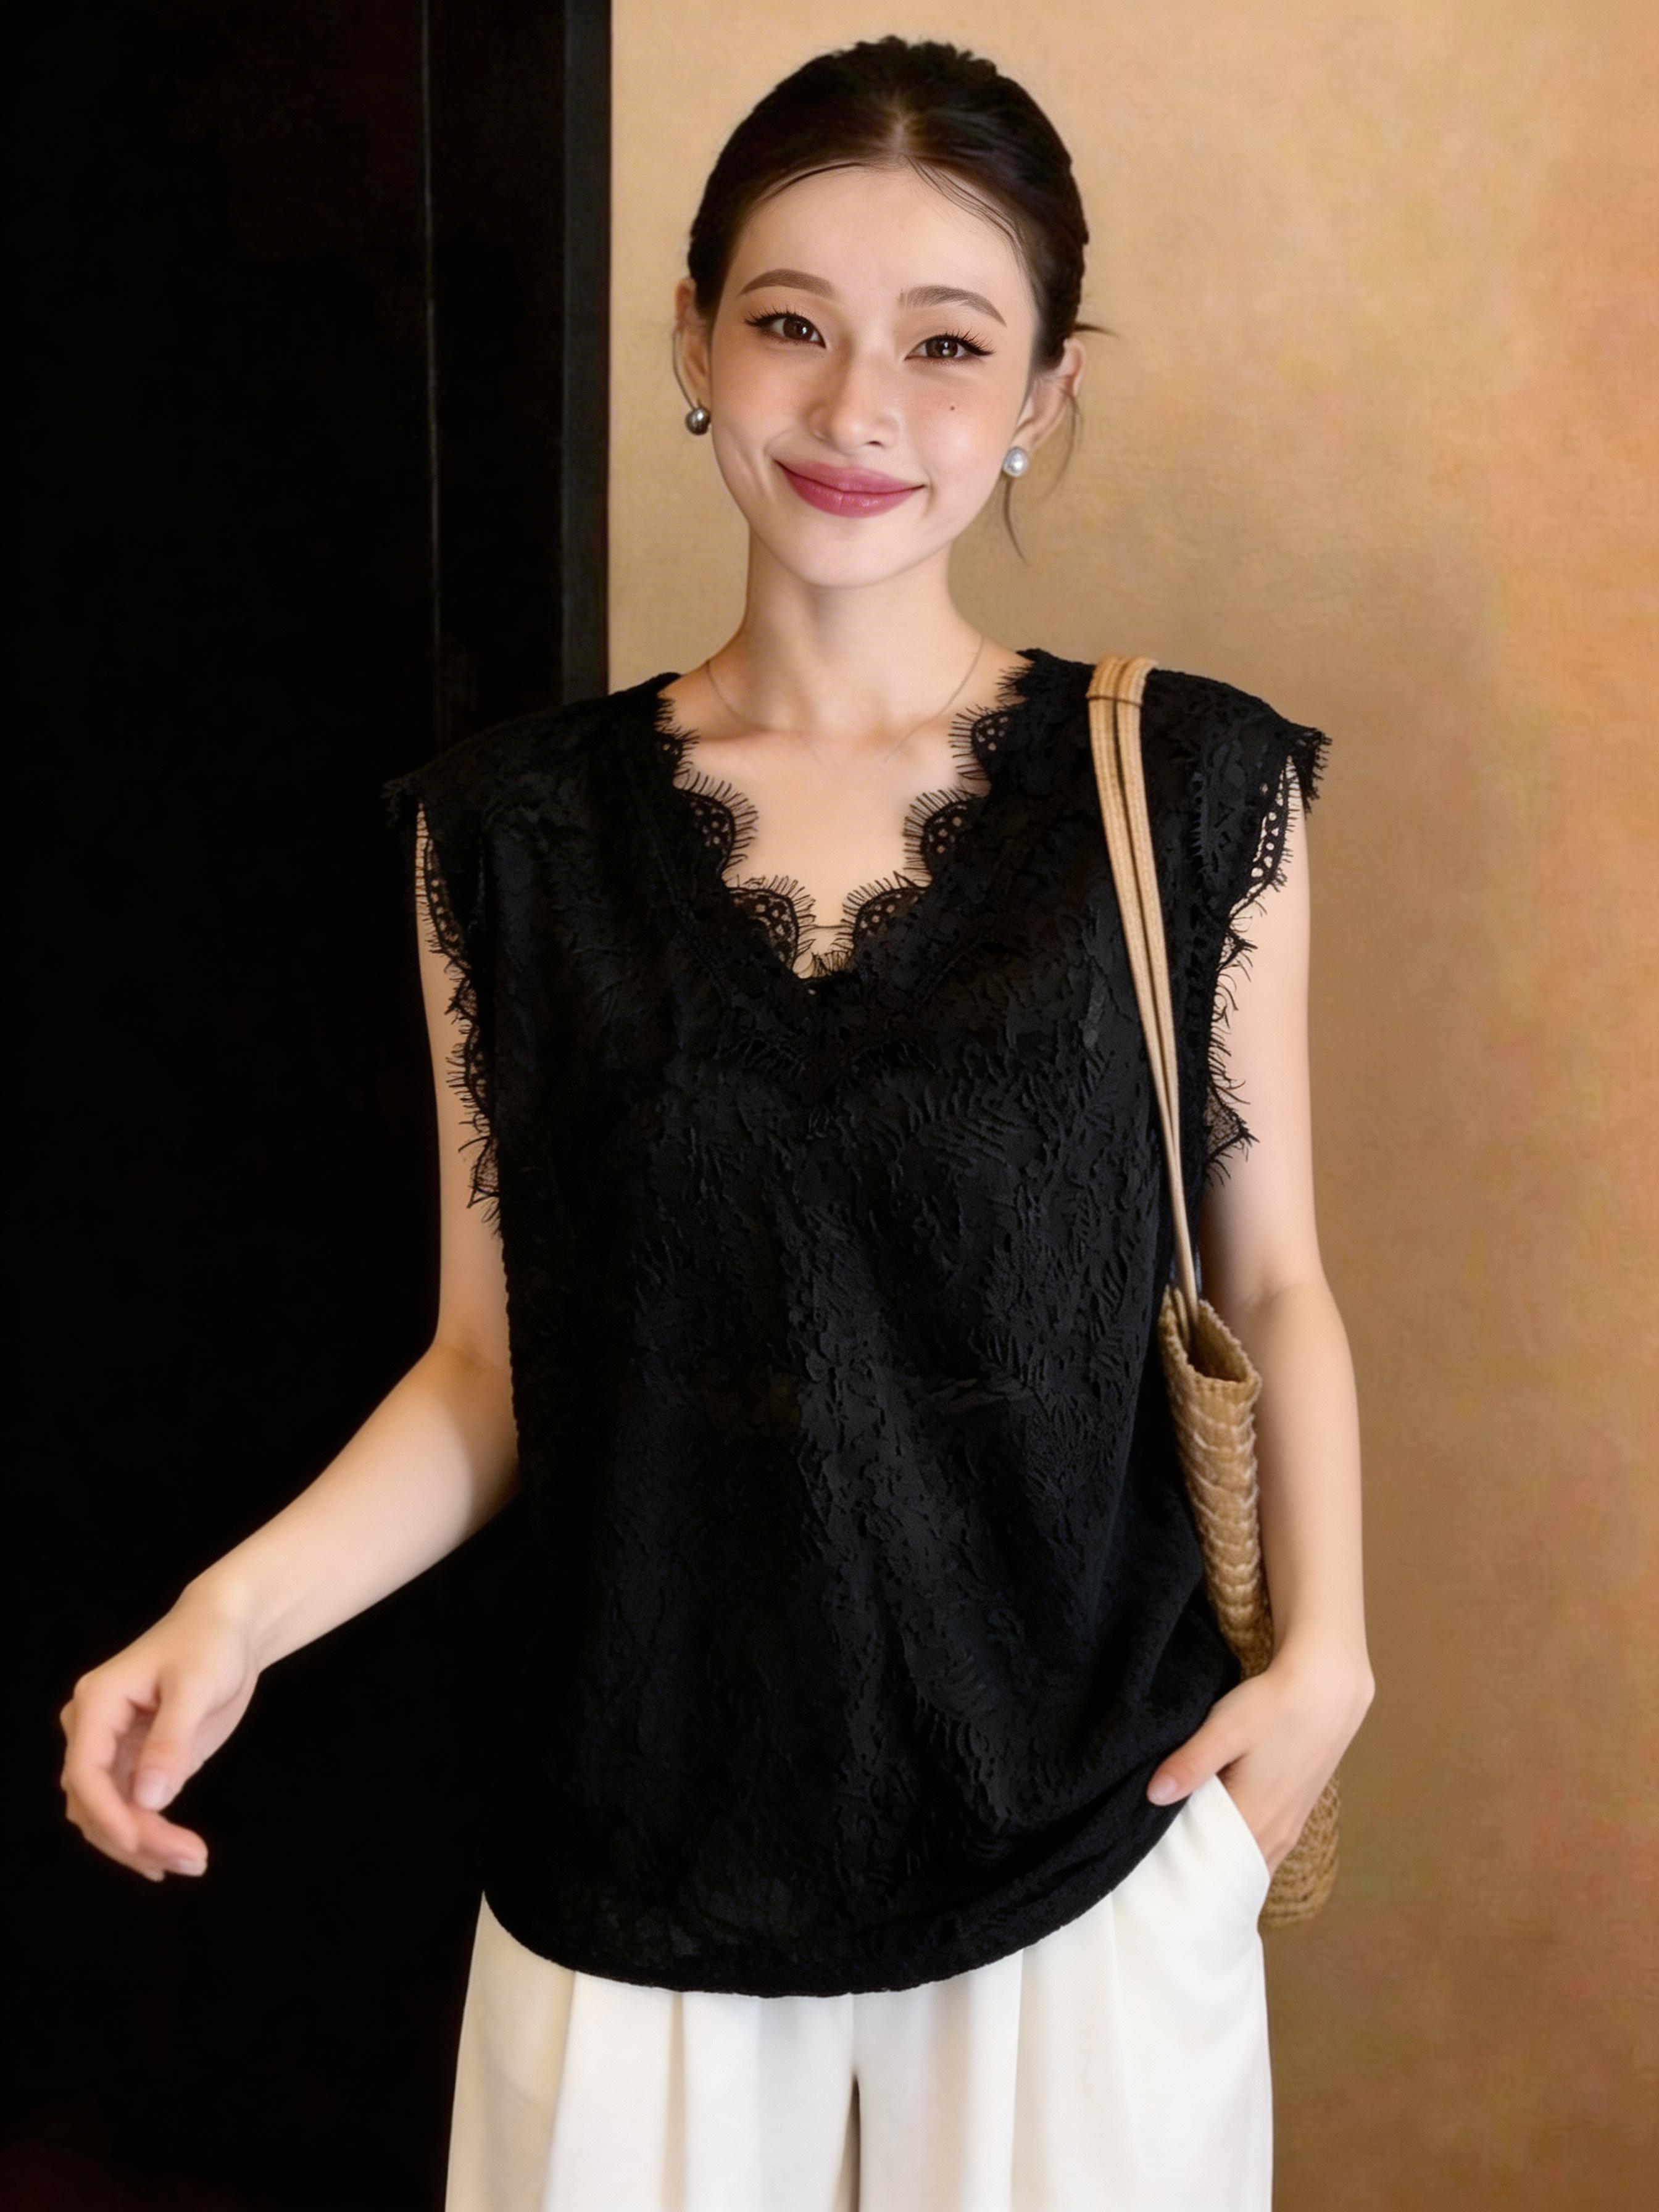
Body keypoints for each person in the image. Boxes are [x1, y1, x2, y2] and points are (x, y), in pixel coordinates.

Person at [58, 34, 1373, 2212]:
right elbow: (491, 1370)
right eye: (790, 324)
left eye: (946, 345)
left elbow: (1275, 1281)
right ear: (691, 341)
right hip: (634, 1853)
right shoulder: (508, 833)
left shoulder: (1188, 788)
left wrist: (1324, 1667)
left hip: (1090, 1845)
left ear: (1043, 391)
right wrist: (233, 1613)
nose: (859, 411)